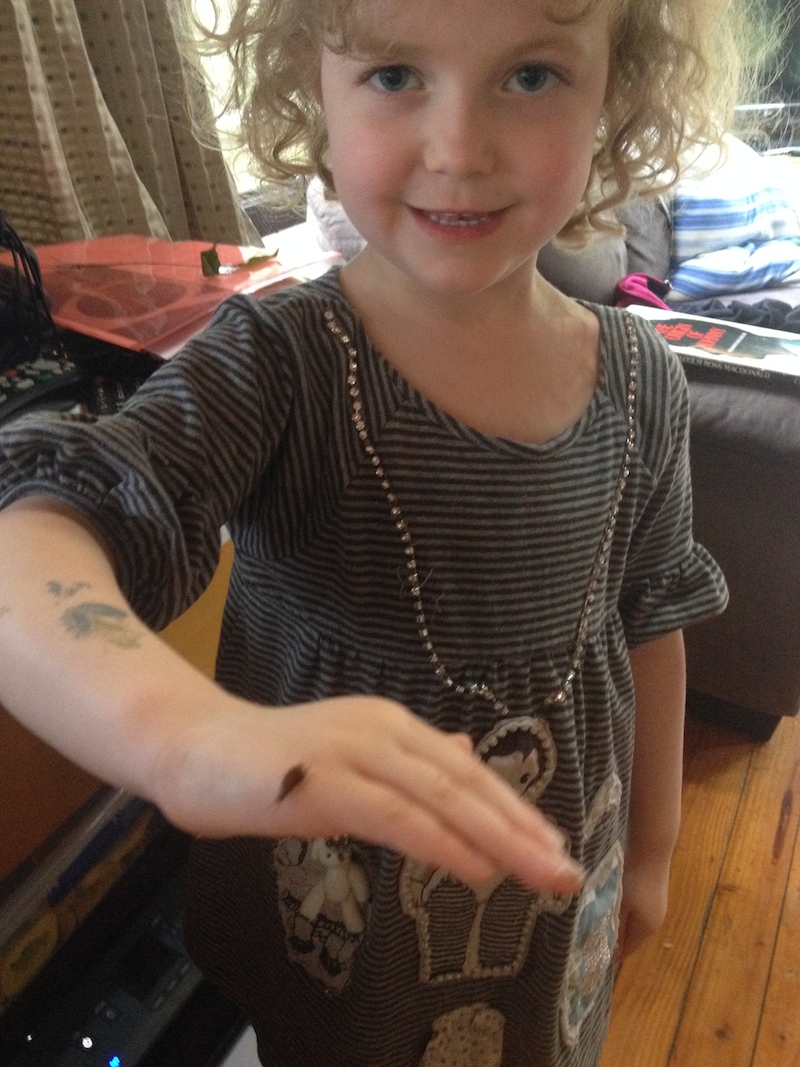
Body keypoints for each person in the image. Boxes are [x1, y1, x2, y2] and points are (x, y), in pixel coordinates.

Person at [0, 0, 752, 1062]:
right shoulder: (278, 365)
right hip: (336, 931)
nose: (458, 150)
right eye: (396, 76)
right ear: (312, 86)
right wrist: (183, 734)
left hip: (548, 904)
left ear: (613, 93)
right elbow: (33, 537)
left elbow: (651, 618)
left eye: (530, 76)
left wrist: (653, 849)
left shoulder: (645, 383)